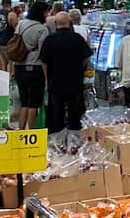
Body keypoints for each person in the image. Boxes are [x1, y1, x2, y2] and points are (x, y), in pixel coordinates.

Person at [38, 11, 92, 150]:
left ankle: (57, 143)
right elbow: (87, 58)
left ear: (56, 24)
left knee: (56, 111)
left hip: (55, 82)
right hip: (75, 81)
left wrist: (46, 78)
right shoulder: (77, 38)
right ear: (70, 23)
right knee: (75, 110)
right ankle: (74, 143)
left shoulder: (50, 39)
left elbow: (43, 61)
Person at [13, 0, 51, 130]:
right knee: (34, 104)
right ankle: (32, 133)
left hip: (19, 67)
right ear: (42, 12)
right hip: (35, 68)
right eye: (47, 11)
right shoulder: (42, 29)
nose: (48, 14)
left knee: (24, 102)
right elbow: (43, 55)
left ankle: (21, 131)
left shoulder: (21, 24)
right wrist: (46, 76)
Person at [0, 0, 14, 67]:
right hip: (8, 42)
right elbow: (16, 28)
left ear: (2, 4)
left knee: (1, 65)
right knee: (11, 65)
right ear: (10, 4)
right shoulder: (10, 14)